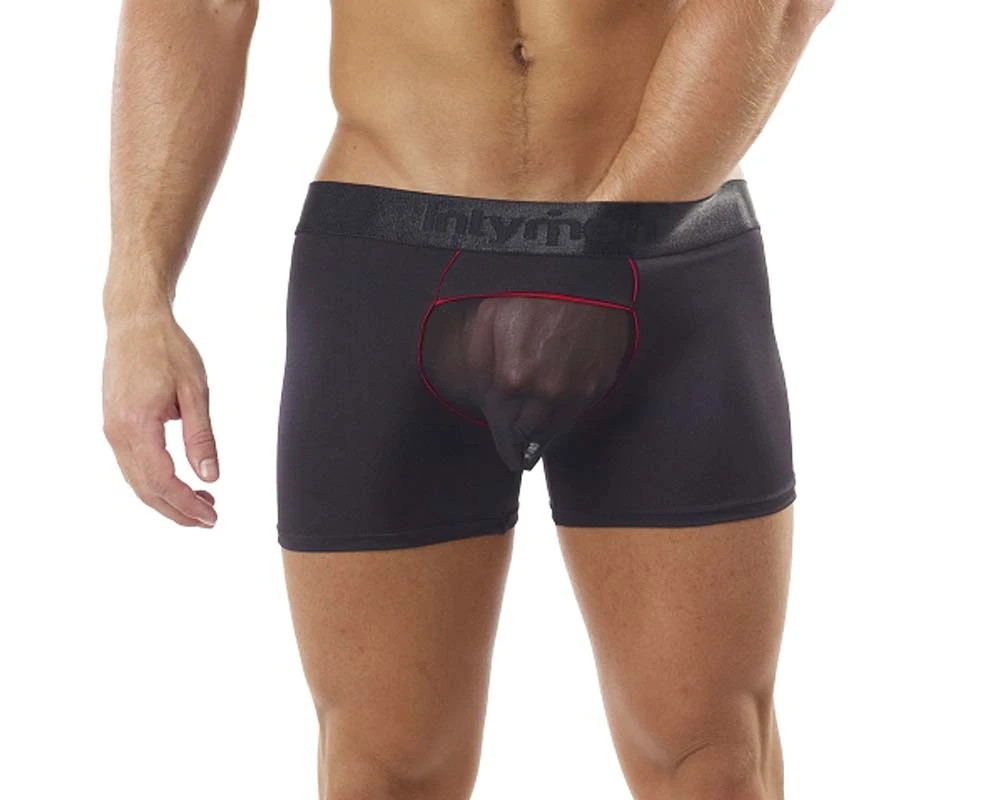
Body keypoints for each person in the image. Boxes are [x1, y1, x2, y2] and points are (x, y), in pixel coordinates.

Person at [101, 0, 834, 797]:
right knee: (381, 777)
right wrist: (137, 300)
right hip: (389, 258)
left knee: (716, 765)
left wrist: (597, 251)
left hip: (662, 246)